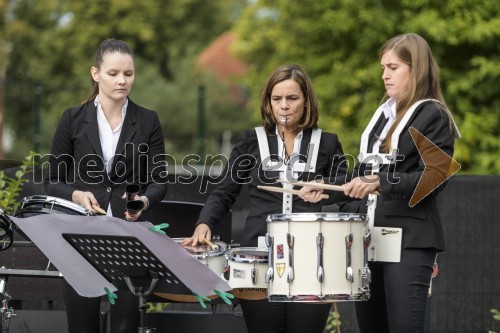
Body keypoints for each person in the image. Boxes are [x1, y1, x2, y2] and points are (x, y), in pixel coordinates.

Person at [302, 33, 460, 332]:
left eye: (393, 67)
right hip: (369, 242)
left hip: (410, 242)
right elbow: (364, 174)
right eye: (382, 68)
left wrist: (379, 183)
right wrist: (327, 188)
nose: (384, 75)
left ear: (417, 69)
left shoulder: (432, 115)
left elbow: (435, 179)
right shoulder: (383, 117)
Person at [182, 64, 347, 333]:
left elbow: (347, 195)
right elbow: (225, 191)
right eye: (276, 99)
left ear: (306, 101)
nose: (284, 106)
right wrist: (205, 223)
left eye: (292, 98)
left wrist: (326, 186)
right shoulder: (250, 140)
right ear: (268, 102)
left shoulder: (327, 143)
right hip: (257, 257)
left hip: (312, 257)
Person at [44, 38, 167, 333]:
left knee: (126, 326)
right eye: (113, 73)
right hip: (80, 237)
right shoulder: (72, 119)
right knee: (82, 326)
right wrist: (75, 193)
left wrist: (143, 202)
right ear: (95, 73)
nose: (122, 81)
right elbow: (51, 181)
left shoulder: (148, 120)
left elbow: (159, 181)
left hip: (131, 238)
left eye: (129, 73)